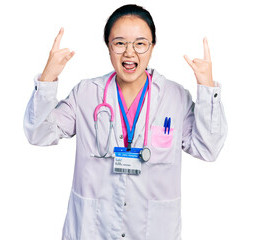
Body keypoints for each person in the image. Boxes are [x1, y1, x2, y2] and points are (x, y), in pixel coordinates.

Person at [24, 4, 227, 240]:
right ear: (108, 47)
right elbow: (38, 134)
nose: (130, 53)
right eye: (119, 43)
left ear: (152, 47)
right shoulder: (86, 94)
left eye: (140, 43)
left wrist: (207, 87)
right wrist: (48, 78)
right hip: (92, 230)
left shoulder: (175, 97)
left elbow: (208, 149)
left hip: (153, 232)